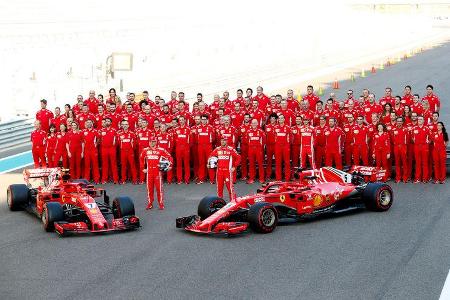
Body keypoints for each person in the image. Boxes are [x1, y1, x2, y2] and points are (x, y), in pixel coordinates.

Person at [141, 138, 173, 210]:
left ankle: (161, 204)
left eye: (154, 142)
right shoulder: (145, 150)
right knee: (149, 189)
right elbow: (141, 158)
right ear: (149, 142)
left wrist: (170, 166)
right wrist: (143, 168)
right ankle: (150, 203)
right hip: (149, 172)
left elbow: (169, 157)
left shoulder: (161, 150)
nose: (152, 143)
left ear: (156, 142)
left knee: (159, 189)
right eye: (151, 142)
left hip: (157, 172)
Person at [195, 115, 215, 184]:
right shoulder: (198, 128)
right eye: (202, 119)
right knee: (201, 163)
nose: (203, 120)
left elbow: (213, 138)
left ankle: (212, 179)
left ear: (207, 120)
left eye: (204, 119)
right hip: (200, 146)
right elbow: (196, 138)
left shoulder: (210, 127)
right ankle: (201, 179)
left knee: (210, 162)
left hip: (208, 146)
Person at [117, 119, 138, 184]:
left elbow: (134, 144)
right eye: (123, 124)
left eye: (126, 124)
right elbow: (118, 143)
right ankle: (123, 180)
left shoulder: (132, 133)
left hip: (130, 151)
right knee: (123, 166)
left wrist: (131, 149)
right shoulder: (119, 133)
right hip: (122, 151)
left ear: (128, 125)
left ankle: (134, 180)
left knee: (132, 166)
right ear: (121, 125)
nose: (125, 126)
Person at [411, 116, 431, 183]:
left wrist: (427, 143)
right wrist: (416, 142)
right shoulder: (414, 128)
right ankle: (417, 178)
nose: (419, 120)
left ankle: (425, 178)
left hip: (424, 147)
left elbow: (431, 138)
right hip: (417, 147)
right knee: (418, 163)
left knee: (425, 163)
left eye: (421, 119)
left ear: (423, 120)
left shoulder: (427, 128)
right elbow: (412, 138)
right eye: (418, 119)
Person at [99, 118, 119, 184]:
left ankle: (115, 179)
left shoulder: (114, 130)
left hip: (112, 149)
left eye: (108, 121)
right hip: (104, 149)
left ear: (111, 122)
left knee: (114, 164)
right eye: (106, 121)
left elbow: (116, 140)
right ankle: (104, 179)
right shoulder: (101, 130)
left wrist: (114, 146)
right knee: (104, 165)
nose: (107, 122)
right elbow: (98, 140)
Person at [247, 119, 265, 183]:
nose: (254, 124)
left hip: (258, 149)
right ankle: (251, 178)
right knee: (251, 164)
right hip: (251, 149)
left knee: (260, 164)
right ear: (251, 124)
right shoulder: (248, 131)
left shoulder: (261, 131)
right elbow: (247, 141)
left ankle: (261, 178)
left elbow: (263, 141)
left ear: (257, 124)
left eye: (255, 123)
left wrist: (260, 148)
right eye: (252, 123)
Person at [174, 115, 191, 184]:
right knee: (179, 164)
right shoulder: (176, 129)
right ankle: (179, 179)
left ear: (185, 120)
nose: (181, 121)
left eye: (182, 120)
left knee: (186, 164)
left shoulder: (188, 129)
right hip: (178, 148)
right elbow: (174, 140)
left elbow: (191, 140)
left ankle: (187, 179)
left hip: (186, 148)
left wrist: (188, 148)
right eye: (180, 120)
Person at [392, 117, 409, 183]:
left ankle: (405, 178)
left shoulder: (405, 129)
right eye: (398, 121)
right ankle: (398, 178)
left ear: (402, 122)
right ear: (396, 122)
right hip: (396, 147)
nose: (399, 122)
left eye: (400, 121)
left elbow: (407, 139)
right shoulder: (394, 129)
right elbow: (392, 139)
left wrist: (403, 145)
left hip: (403, 147)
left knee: (404, 163)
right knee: (397, 163)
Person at [274, 114, 291, 181]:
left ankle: (287, 178)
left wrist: (288, 146)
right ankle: (278, 178)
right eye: (279, 118)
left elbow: (290, 138)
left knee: (287, 162)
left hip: (285, 147)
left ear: (284, 119)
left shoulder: (287, 127)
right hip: (278, 147)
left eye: (282, 118)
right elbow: (274, 137)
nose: (280, 119)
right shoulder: (275, 127)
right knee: (278, 162)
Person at [82, 119, 100, 183]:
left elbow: (98, 140)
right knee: (87, 165)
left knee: (95, 165)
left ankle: (96, 179)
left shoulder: (95, 131)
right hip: (86, 151)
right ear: (86, 124)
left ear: (92, 123)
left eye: (90, 122)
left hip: (93, 150)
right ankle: (87, 179)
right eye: (87, 122)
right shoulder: (83, 131)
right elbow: (82, 141)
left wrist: (95, 145)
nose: (89, 124)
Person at [265, 113, 278, 180]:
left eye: (273, 119)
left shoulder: (278, 126)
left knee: (277, 161)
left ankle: (277, 175)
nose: (272, 120)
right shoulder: (267, 126)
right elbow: (265, 136)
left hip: (276, 146)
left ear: (276, 120)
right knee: (269, 161)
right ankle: (268, 175)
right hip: (269, 146)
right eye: (271, 119)